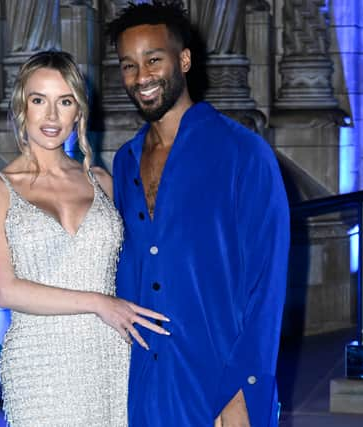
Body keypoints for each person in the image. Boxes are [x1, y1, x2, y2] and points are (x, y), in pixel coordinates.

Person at [107, 2, 290, 426]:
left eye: (154, 59)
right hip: (145, 386)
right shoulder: (124, 162)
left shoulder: (243, 154)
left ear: (184, 60)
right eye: (129, 65)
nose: (142, 77)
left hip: (217, 386)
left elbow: (266, 287)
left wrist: (240, 391)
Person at [0, 50, 170, 427]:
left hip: (110, 351)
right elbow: (5, 290)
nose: (51, 116)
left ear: (78, 112)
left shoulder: (103, 181)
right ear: (22, 108)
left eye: (64, 102)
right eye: (38, 101)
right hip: (40, 362)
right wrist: (98, 302)